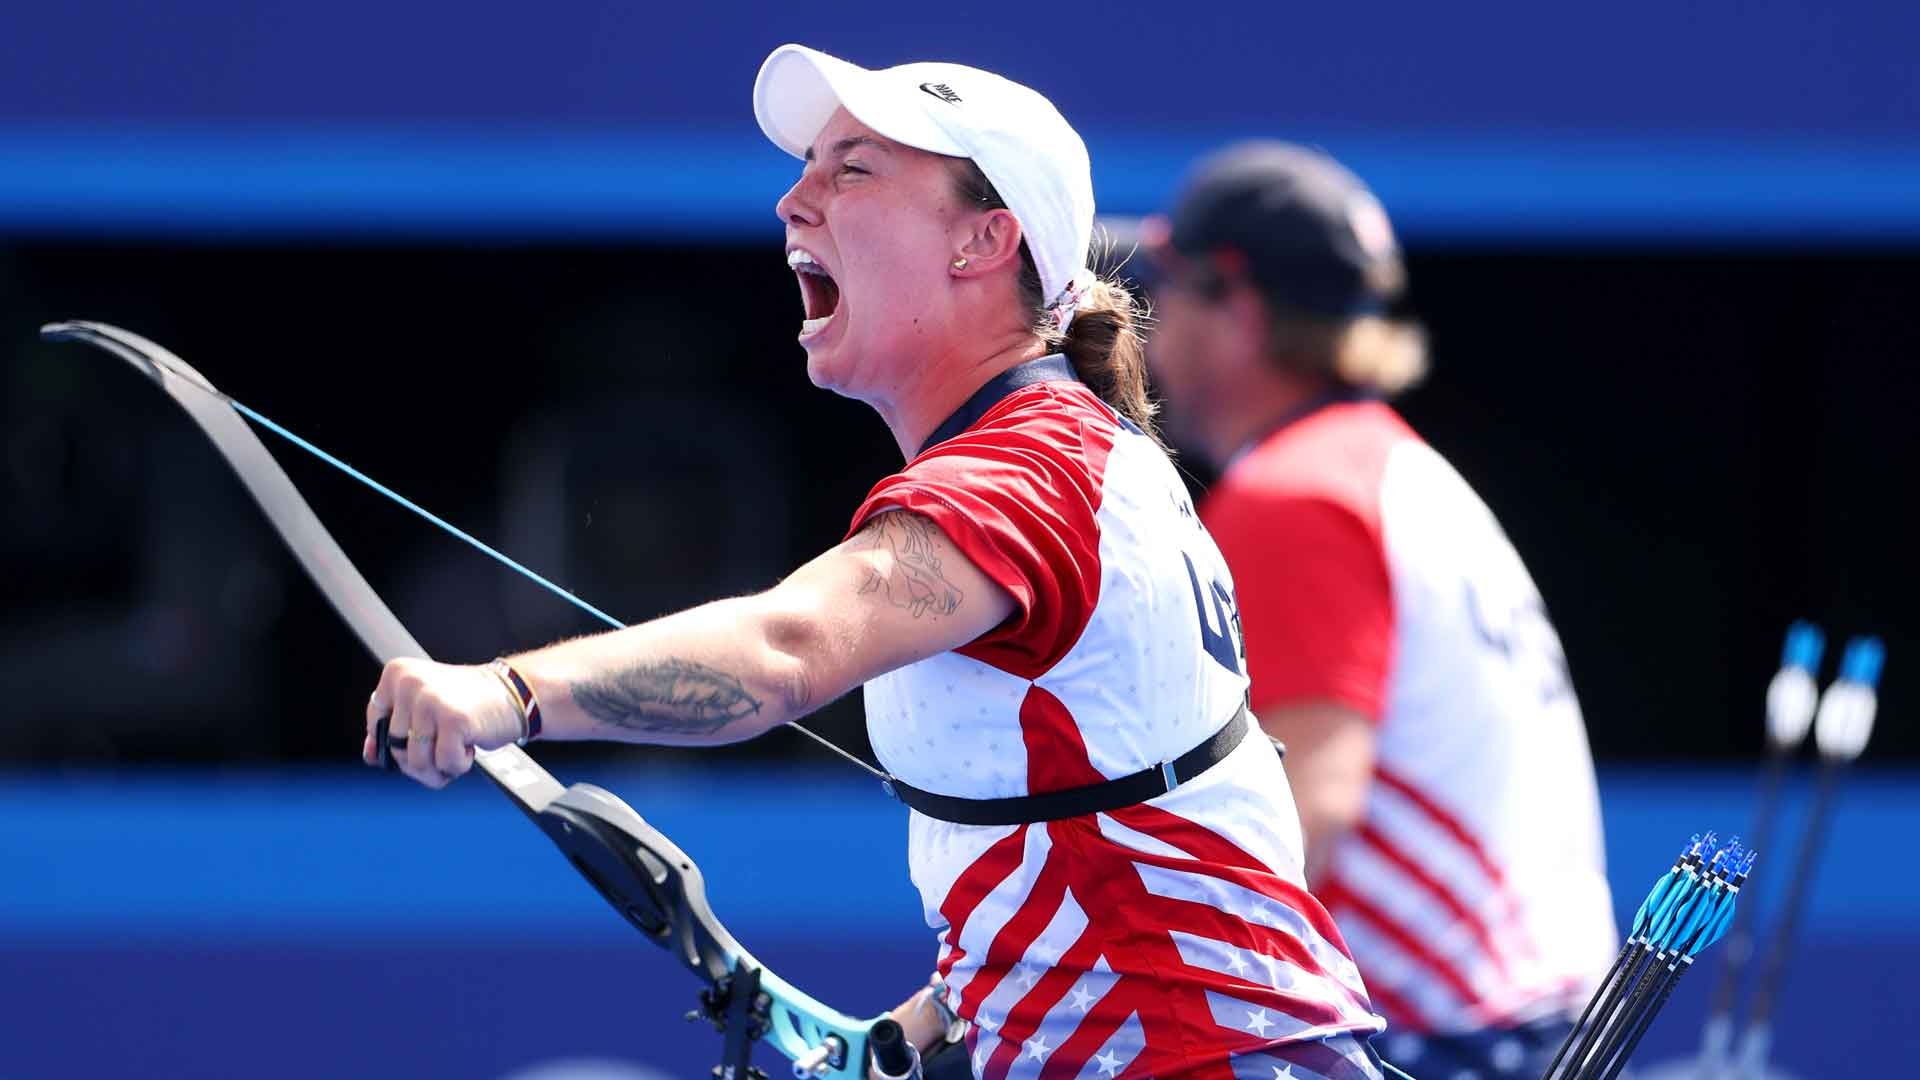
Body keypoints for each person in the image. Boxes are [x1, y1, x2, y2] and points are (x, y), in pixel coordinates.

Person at [364, 48, 1388, 1080]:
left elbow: (785, 650)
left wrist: (508, 691)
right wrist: (939, 1015)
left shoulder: (1028, 468)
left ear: (986, 240)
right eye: (810, 167)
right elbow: (1114, 815)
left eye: (850, 171)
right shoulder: (1077, 446)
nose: (793, 202)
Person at [1132, 141, 1617, 1077]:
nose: (1145, 328)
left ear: (1238, 306)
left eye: (1164, 285)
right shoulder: (1389, 469)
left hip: (1451, 1050)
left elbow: (1296, 825)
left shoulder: (1296, 493)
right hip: (1529, 1034)